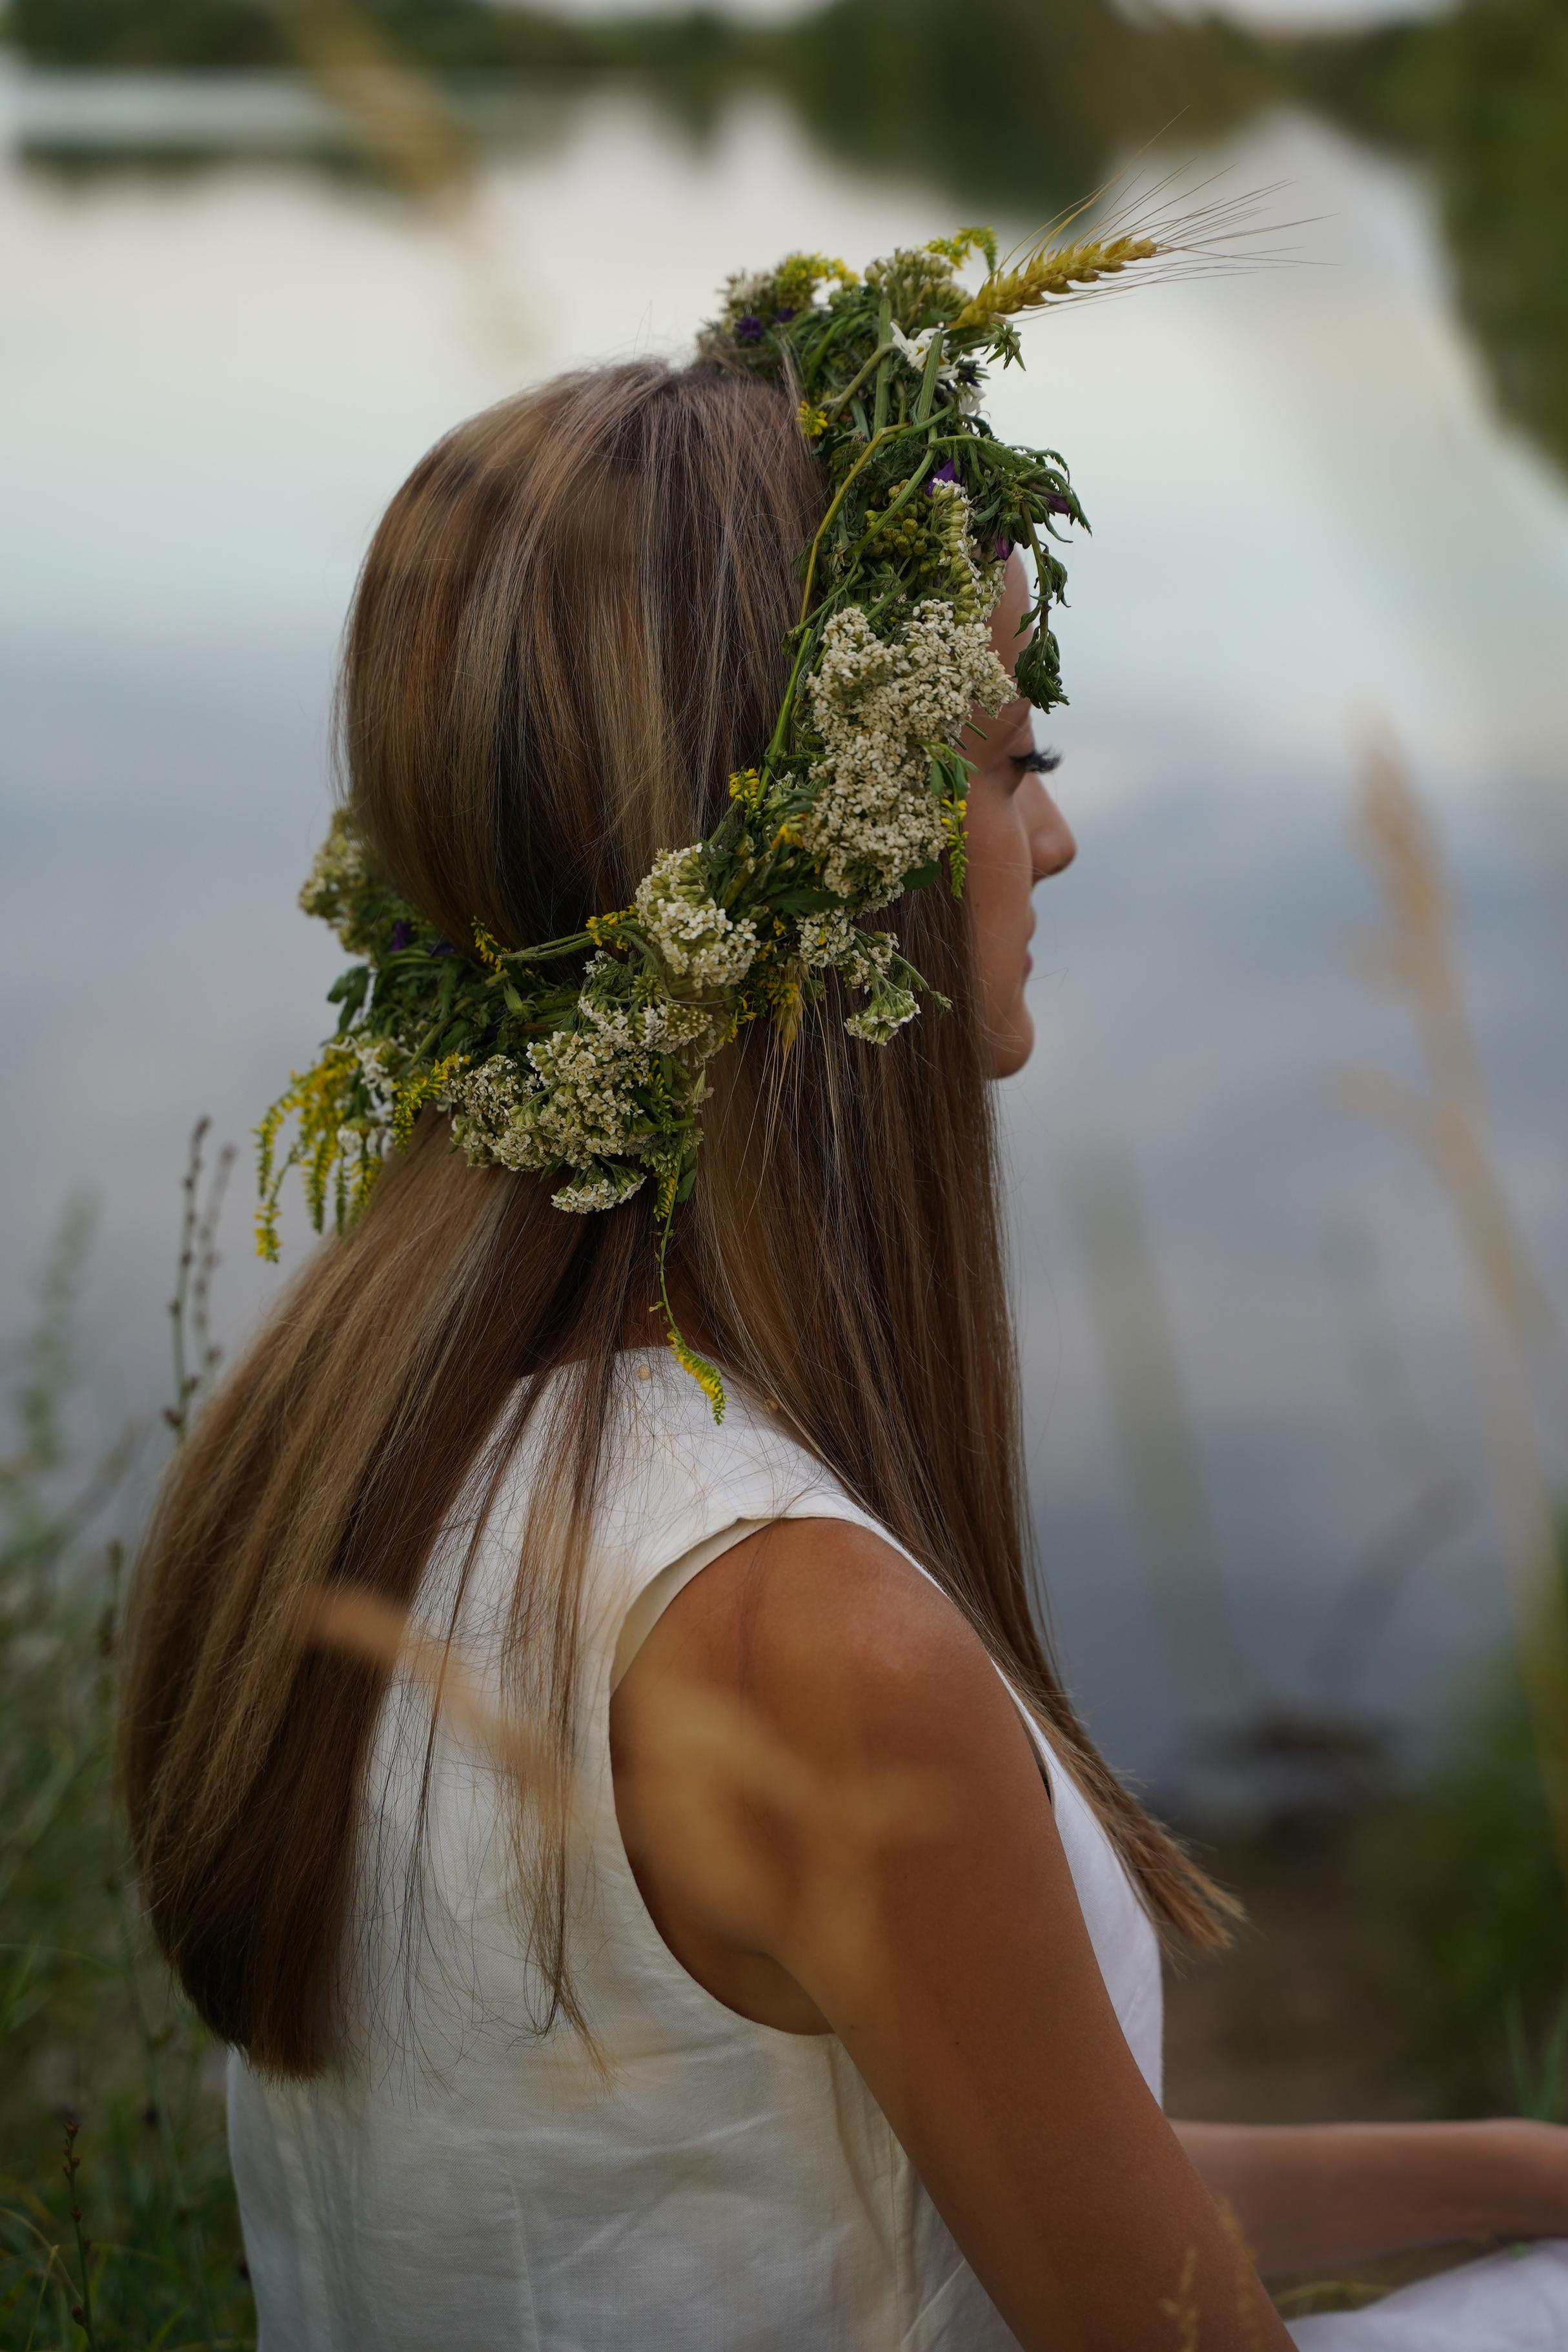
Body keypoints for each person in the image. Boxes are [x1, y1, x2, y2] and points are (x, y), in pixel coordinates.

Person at [121, 236, 1568, 2350]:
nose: (1054, 838)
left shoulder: (362, 1458)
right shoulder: (797, 1634)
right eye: (1005, 755)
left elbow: (964, 2163)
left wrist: (1527, 2175)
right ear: (828, 845)